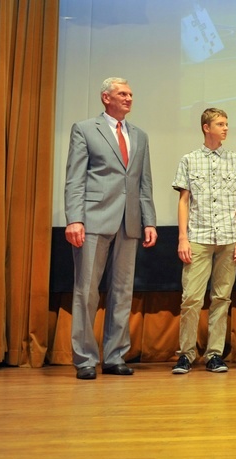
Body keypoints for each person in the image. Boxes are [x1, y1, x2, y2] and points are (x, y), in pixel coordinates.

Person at [64, 77, 157, 380]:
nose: (129, 98)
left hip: (129, 222)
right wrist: (74, 218)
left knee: (122, 291)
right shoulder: (84, 129)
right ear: (106, 98)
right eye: (122, 94)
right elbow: (75, 178)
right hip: (93, 219)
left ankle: (115, 356)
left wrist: (149, 220)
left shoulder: (139, 135)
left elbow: (143, 182)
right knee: (87, 291)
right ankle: (85, 359)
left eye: (130, 94)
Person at [171, 108, 236, 375]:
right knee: (191, 298)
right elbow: (183, 201)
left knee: (222, 298)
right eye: (220, 124)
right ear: (206, 127)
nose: (226, 128)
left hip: (228, 237)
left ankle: (214, 354)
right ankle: (186, 354)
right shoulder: (189, 160)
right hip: (198, 237)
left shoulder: (235, 160)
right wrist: (183, 238)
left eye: (227, 123)